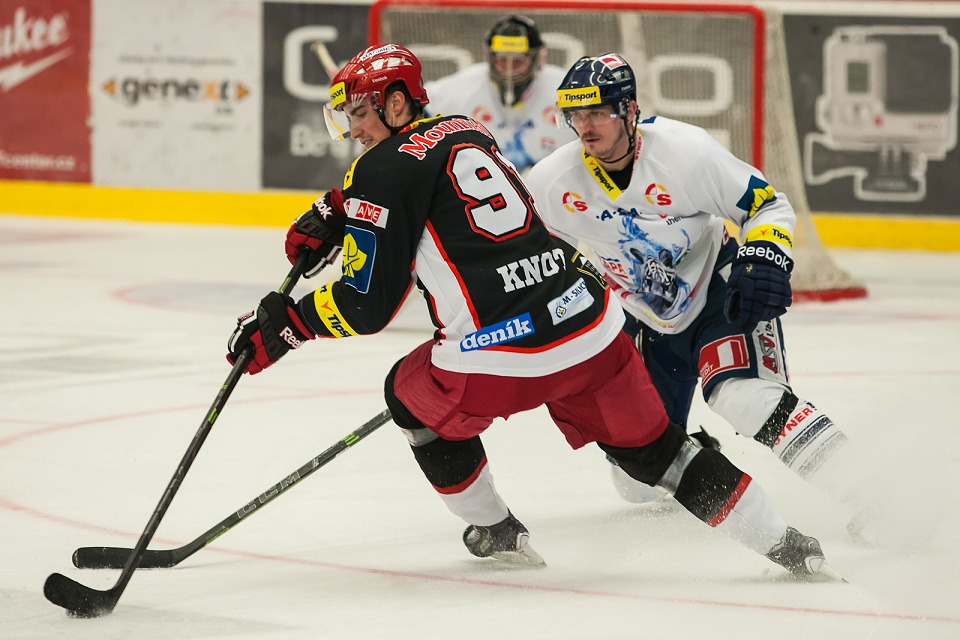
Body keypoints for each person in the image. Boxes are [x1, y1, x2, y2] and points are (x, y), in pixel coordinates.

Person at [226, 43, 838, 579]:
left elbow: (367, 305)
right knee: (657, 457)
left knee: (406, 395)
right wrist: (343, 208)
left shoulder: (378, 171)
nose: (353, 129)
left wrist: (287, 324)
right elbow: (435, 188)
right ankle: (789, 546)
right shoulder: (467, 130)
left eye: (360, 113)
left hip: (497, 358)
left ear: (394, 103)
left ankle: (495, 530)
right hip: (594, 331)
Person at [525, 53, 862, 523]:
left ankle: (869, 491)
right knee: (637, 479)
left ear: (629, 109)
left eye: (598, 111)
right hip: (638, 317)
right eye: (576, 114)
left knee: (743, 398)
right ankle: (696, 451)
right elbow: (534, 258)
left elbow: (766, 205)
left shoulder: (686, 153)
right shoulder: (551, 182)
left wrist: (764, 255)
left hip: (715, 293)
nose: (585, 126)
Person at [423, 14, 577, 173]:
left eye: (518, 61)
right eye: (503, 59)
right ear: (490, 57)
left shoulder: (566, 90)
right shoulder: (461, 87)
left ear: (538, 58)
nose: (510, 70)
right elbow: (421, 107)